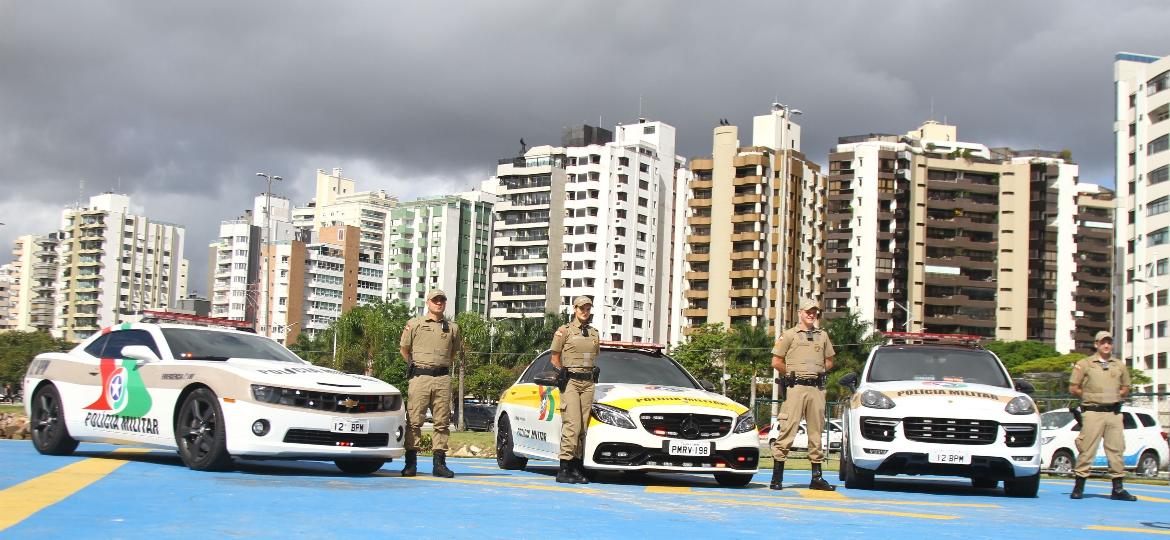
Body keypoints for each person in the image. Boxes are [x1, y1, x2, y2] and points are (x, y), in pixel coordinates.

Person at [769, 299, 836, 491]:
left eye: (814, 311)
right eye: (808, 311)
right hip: (796, 387)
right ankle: (777, 477)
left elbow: (829, 361)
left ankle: (817, 477)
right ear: (800, 313)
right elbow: (776, 361)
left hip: (816, 388)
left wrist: (819, 371)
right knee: (788, 429)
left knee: (816, 432)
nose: (811, 314)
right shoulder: (789, 335)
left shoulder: (822, 336)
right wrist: (790, 374)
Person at [398, 289, 461, 478]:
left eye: (442, 300)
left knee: (442, 422)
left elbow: (453, 353)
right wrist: (416, 367)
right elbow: (404, 349)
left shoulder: (453, 328)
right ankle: (411, 463)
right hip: (420, 378)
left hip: (442, 378)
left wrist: (440, 366)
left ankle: (439, 464)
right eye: (435, 300)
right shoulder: (414, 324)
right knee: (414, 421)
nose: (439, 303)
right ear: (428, 303)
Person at [1068, 331, 1136, 501]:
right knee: (1087, 448)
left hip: (1113, 412)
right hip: (1093, 412)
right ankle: (1079, 486)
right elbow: (1073, 387)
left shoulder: (1119, 365)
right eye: (1103, 342)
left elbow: (1126, 387)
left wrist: (1114, 396)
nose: (1106, 346)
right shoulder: (1085, 364)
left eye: (1109, 342)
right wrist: (1091, 396)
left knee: (1116, 449)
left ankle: (1118, 488)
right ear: (1096, 344)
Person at [550, 296, 600, 484]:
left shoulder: (594, 333)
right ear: (574, 309)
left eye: (587, 308)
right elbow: (554, 358)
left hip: (588, 382)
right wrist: (560, 371)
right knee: (572, 425)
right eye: (581, 308)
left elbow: (595, 357)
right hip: (570, 381)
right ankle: (564, 468)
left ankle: (577, 468)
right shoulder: (564, 331)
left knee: (583, 428)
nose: (584, 312)